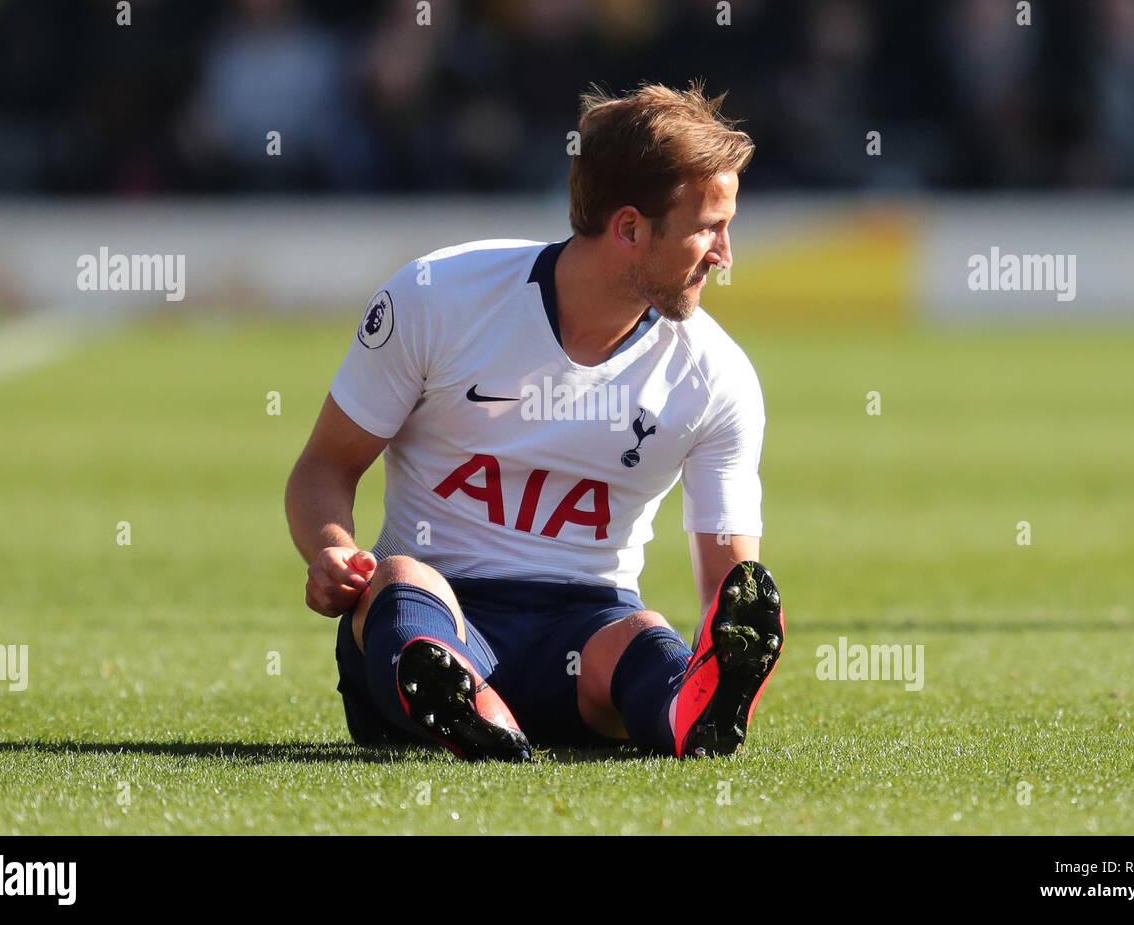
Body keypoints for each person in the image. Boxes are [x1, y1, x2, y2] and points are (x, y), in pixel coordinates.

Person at [284, 81, 783, 761]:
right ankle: (458, 692)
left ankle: (681, 708)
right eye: (708, 228)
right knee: (398, 579)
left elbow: (732, 593)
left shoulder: (716, 374)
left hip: (584, 633)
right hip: (439, 600)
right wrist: (333, 550)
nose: (726, 255)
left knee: (645, 638)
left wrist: (726, 643)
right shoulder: (440, 298)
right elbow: (324, 466)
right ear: (630, 228)